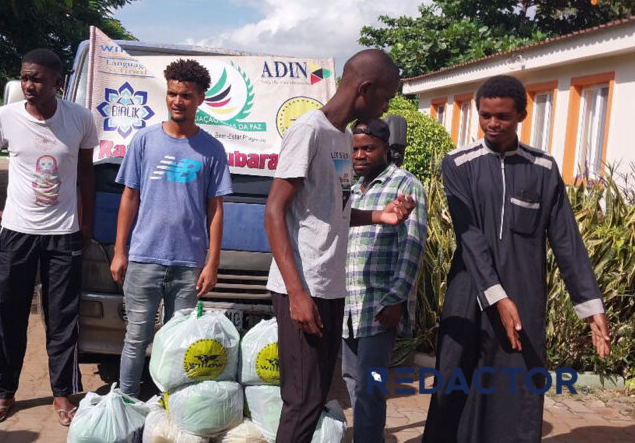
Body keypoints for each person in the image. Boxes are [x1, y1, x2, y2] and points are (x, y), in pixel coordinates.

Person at [422, 75, 611, 443]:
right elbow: (470, 236)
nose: (493, 124)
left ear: (522, 115)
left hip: (524, 297)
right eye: (485, 116)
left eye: (503, 117)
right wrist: (497, 295)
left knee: (515, 391)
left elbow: (566, 241)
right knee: (454, 386)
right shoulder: (459, 164)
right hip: (469, 293)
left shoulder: (542, 169)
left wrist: (590, 305)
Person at [263, 49, 415, 443]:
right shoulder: (308, 132)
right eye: (385, 97)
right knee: (301, 400)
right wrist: (297, 294)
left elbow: (340, 210)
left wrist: (383, 216)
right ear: (364, 88)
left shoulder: (345, 139)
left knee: (316, 397)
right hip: (303, 288)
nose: (386, 107)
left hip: (330, 289)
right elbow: (274, 212)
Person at [0, 48, 97, 426]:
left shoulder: (80, 119)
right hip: (17, 233)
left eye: (38, 79)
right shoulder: (4, 117)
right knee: (9, 313)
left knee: (62, 316)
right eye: (25, 77)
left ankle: (63, 393)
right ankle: (3, 392)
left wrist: (86, 223)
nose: (29, 85)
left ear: (57, 83)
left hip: (63, 234)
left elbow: (87, 175)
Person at [110, 59, 232, 398]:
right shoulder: (144, 141)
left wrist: (212, 262)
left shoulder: (211, 149)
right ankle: (128, 406)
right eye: (172, 93)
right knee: (136, 339)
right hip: (144, 258)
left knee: (180, 343)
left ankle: (174, 409)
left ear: (200, 99)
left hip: (188, 264)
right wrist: (120, 251)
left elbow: (216, 209)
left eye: (186, 95)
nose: (177, 101)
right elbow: (129, 198)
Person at [342, 119, 427, 443]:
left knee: (370, 384)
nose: (360, 155)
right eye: (355, 149)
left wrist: (396, 299)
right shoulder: (348, 184)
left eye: (368, 148)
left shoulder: (406, 186)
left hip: (379, 305)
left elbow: (412, 247)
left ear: (385, 149)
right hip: (348, 303)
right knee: (350, 376)